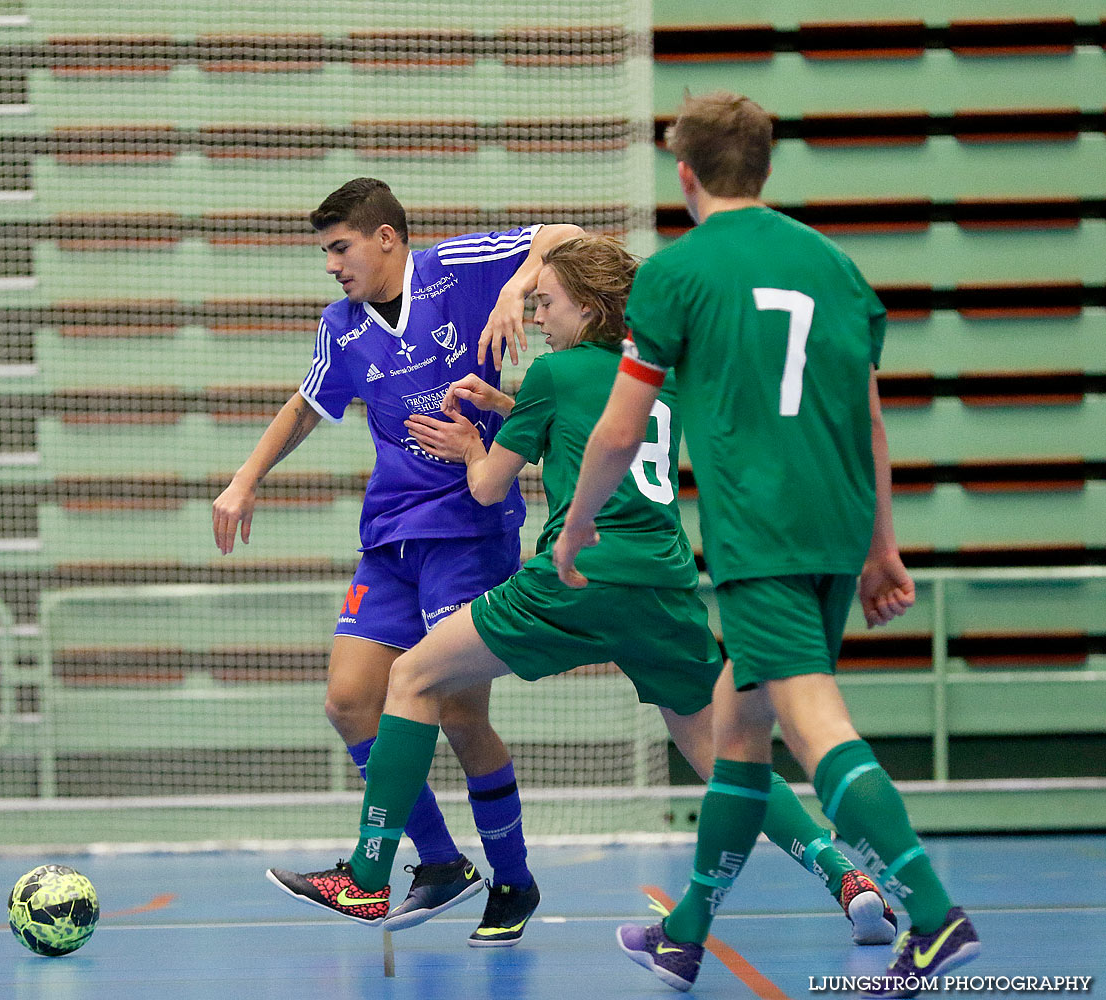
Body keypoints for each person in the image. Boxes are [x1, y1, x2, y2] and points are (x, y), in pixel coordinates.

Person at [265, 235, 896, 950]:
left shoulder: (556, 374)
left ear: (589, 308)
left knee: (411, 676)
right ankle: (845, 875)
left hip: (574, 582)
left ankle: (373, 875)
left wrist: (474, 445)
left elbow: (487, 485)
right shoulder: (657, 375)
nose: (536, 315)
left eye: (547, 302)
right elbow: (588, 429)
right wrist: (509, 401)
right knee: (726, 755)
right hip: (663, 588)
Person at [552, 94, 978, 997]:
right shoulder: (837, 267)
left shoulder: (676, 275)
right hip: (833, 532)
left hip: (762, 541)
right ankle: (685, 933)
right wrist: (883, 548)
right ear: (768, 169)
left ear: (686, 174)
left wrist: (581, 517)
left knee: (815, 725)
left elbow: (622, 430)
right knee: (740, 732)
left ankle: (936, 917)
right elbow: (868, 422)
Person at [215, 177, 582, 941]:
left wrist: (520, 285)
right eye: (324, 252)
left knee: (456, 709)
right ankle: (442, 861)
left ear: (387, 237)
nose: (330, 265)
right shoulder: (341, 326)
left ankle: (512, 881)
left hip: (469, 528)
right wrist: (245, 481)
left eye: (339, 247)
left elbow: (565, 234)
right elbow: (307, 404)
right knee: (350, 700)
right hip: (390, 536)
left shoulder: (461, 268)